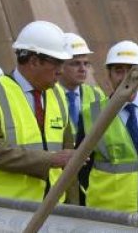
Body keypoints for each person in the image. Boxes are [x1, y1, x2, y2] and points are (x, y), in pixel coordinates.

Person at [0, 20, 78, 202]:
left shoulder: (58, 94)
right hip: (3, 207)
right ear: (34, 61)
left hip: (51, 208)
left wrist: (73, 208)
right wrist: (50, 160)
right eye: (57, 63)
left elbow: (67, 157)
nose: (61, 71)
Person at [80, 40, 138, 215]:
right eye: (119, 70)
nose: (126, 77)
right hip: (108, 216)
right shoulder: (91, 114)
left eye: (132, 70)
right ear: (108, 74)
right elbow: (80, 169)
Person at [56, 32, 103, 204]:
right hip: (59, 174)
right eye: (75, 64)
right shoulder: (49, 95)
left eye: (86, 64)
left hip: (88, 175)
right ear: (60, 66)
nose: (83, 69)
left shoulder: (96, 95)